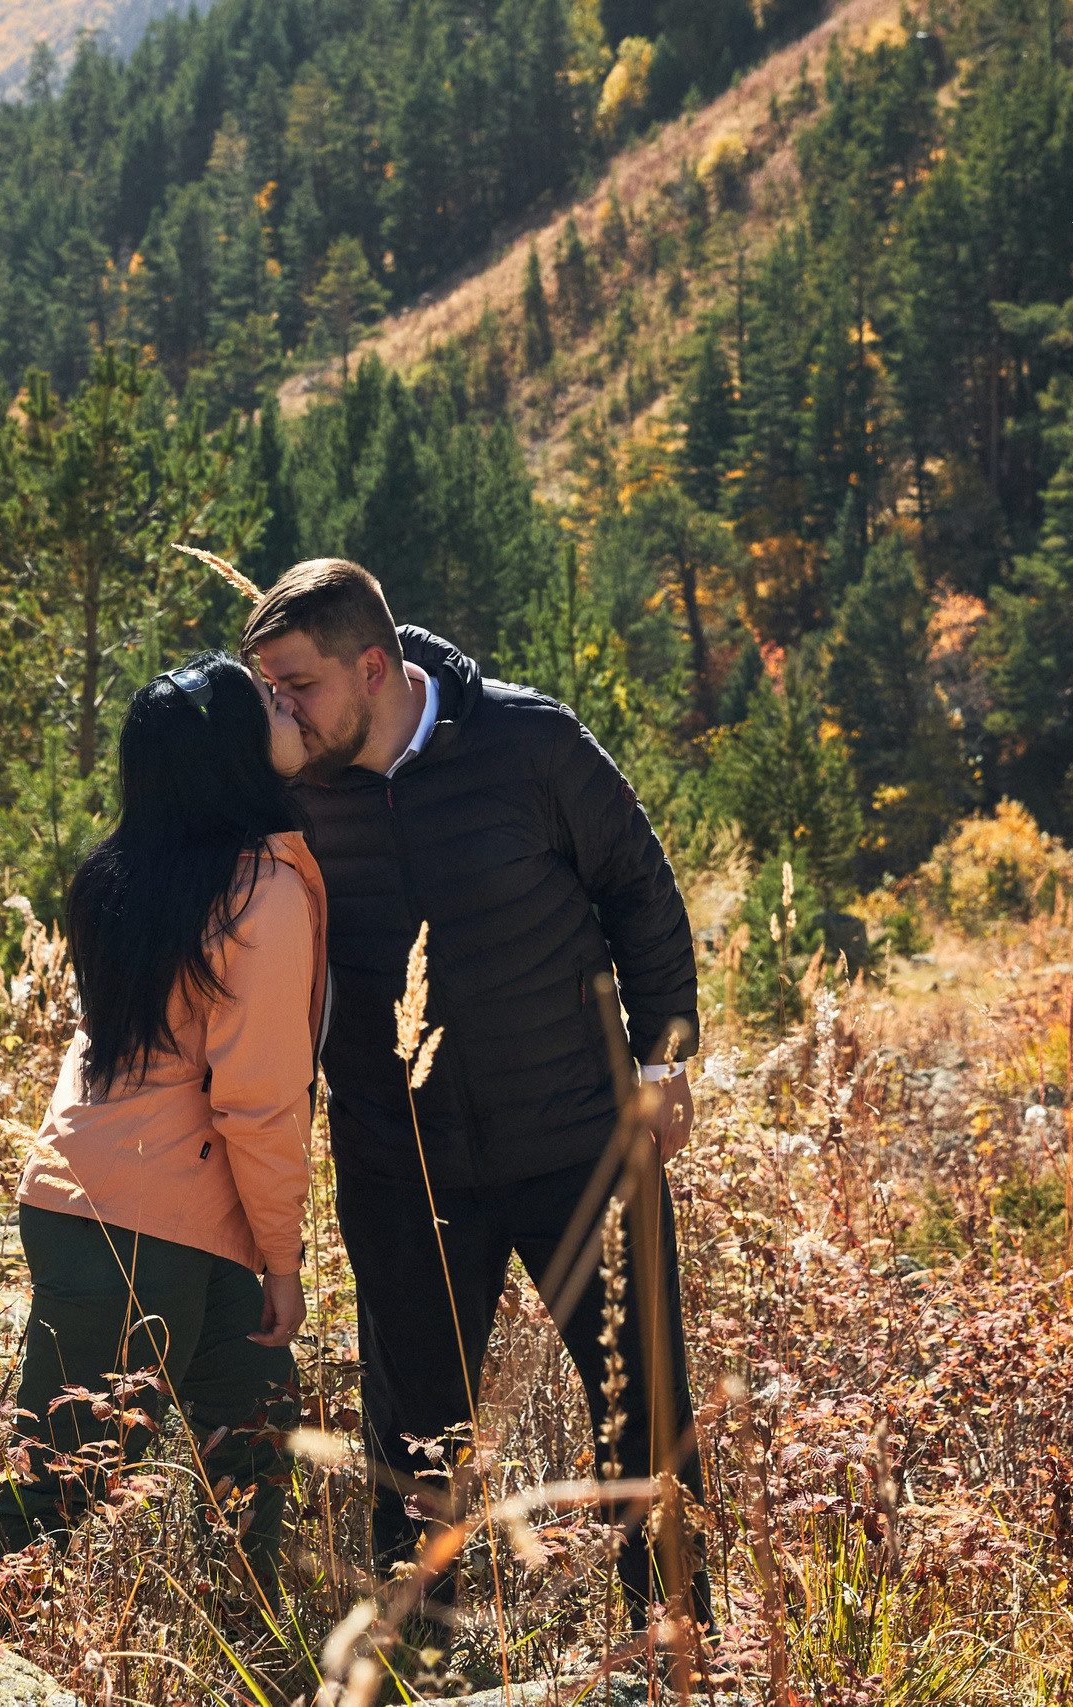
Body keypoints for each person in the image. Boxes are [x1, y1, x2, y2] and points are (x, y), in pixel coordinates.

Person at [242, 560, 708, 1635]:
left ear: (374, 666)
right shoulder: (285, 784)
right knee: (415, 1439)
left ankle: (677, 1647)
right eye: (266, 689)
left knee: (644, 1408)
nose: (282, 710)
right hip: (399, 1165)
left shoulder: (529, 744)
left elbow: (639, 888)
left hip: (580, 1146)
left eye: (297, 684)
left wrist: (662, 1060)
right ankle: (421, 1657)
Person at [0, 650, 323, 1593]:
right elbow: (258, 1101)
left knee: (254, 1433)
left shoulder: (124, 876)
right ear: (231, 753)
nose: (284, 701)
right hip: (143, 1223)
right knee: (55, 1490)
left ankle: (249, 1643)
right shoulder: (260, 895)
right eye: (265, 699)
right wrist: (282, 1262)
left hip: (103, 1203)